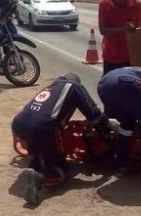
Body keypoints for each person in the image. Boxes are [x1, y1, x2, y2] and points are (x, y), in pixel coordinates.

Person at [11, 73, 114, 205]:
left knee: (37, 145)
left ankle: (35, 165)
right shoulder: (75, 87)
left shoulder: (51, 87)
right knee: (60, 170)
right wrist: (106, 127)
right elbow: (92, 112)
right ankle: (44, 178)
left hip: (19, 124)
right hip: (44, 129)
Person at [97, 64, 141, 179]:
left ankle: (121, 167)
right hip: (128, 85)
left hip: (103, 85)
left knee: (126, 125)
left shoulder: (137, 70)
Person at [98, 0, 141, 75]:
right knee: (109, 87)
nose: (119, 1)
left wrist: (133, 29)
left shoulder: (137, 5)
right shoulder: (104, 5)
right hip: (111, 57)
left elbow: (139, 31)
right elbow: (103, 30)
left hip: (131, 57)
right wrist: (124, 29)